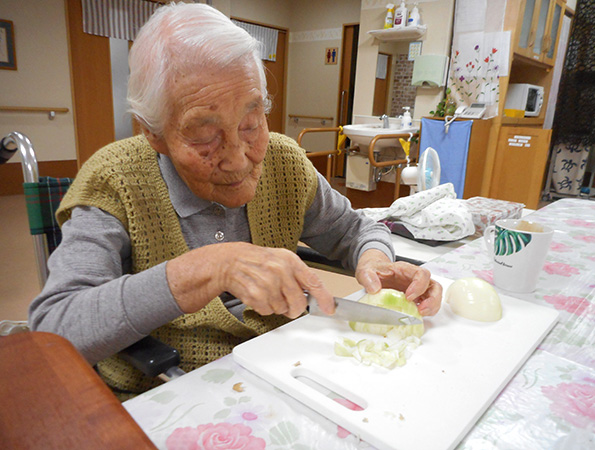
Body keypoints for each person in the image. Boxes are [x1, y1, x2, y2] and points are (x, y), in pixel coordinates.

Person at [28, 2, 442, 397]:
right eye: (204, 135)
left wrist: (376, 263)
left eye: (250, 122)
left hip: (282, 370)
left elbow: (356, 229)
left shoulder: (284, 162)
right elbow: (54, 330)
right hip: (163, 388)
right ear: (153, 133)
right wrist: (205, 269)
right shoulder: (115, 179)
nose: (238, 158)